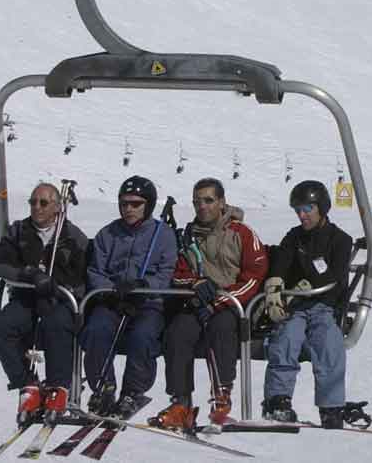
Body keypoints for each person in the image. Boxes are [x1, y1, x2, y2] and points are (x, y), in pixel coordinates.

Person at [151, 178, 268, 431]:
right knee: (178, 331)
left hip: (232, 304)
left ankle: (221, 396)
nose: (202, 207)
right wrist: (195, 283)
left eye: (208, 200)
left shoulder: (241, 233)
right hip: (198, 302)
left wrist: (224, 299)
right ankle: (180, 403)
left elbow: (255, 275)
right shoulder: (188, 236)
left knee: (221, 328)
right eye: (197, 202)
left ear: (222, 202)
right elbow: (178, 272)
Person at [0, 183, 89, 424]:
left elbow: (85, 274)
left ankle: (58, 386)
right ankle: (27, 383)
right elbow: (0, 262)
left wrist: (62, 287)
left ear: (57, 207)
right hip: (27, 298)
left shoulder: (72, 236)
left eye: (43, 203)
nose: (37, 207)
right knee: (0, 328)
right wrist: (29, 275)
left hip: (58, 301)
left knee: (57, 324)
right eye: (33, 202)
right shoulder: (19, 232)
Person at [81, 175, 177, 418]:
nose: (129, 209)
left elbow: (167, 273)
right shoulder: (108, 234)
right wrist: (112, 291)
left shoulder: (162, 235)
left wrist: (144, 285)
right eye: (124, 203)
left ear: (149, 205)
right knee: (96, 330)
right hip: (113, 301)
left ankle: (132, 392)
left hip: (147, 302)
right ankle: (104, 387)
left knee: (143, 336)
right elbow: (95, 270)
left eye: (136, 204)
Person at [261, 181, 353, 429]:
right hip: (297, 306)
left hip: (324, 305)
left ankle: (331, 406)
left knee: (328, 342)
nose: (302, 215)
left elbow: (333, 276)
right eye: (298, 210)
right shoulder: (294, 236)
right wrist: (275, 283)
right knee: (287, 337)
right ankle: (277, 400)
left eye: (308, 209)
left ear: (322, 208)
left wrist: (308, 282)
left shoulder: (340, 240)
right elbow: (281, 260)